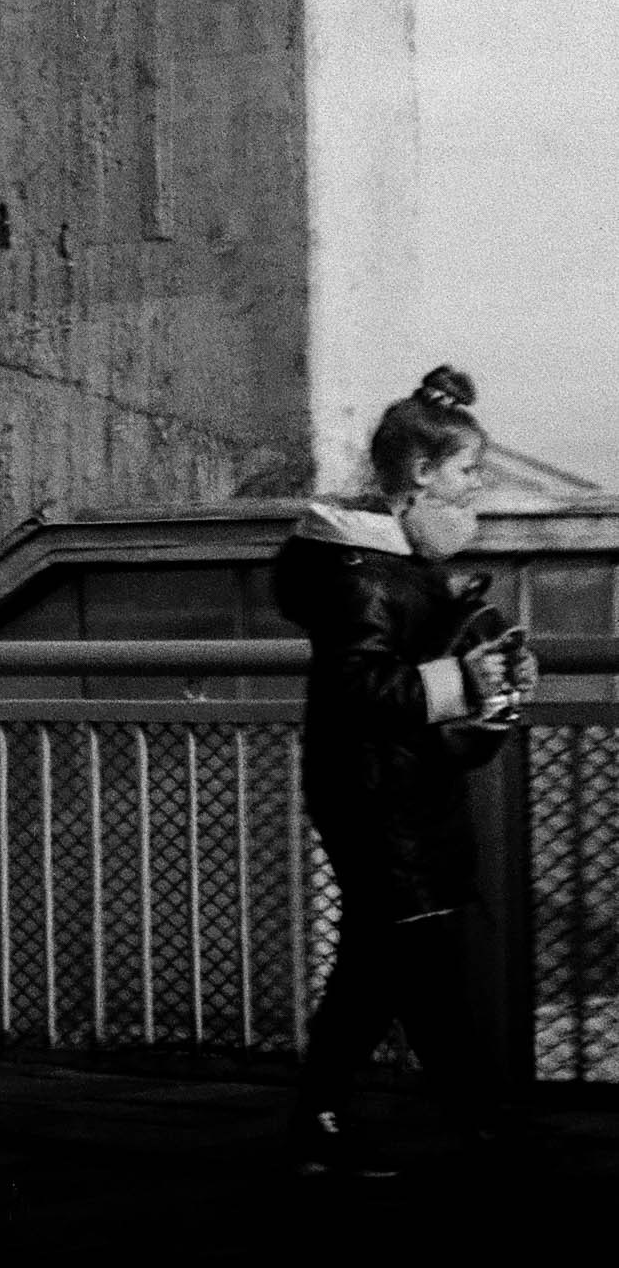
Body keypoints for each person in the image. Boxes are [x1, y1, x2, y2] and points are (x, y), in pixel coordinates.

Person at [271, 365, 537, 1178]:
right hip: (380, 794)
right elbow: (359, 687)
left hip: (390, 788)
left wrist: (476, 668)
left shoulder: (380, 570)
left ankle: (321, 1123)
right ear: (419, 478)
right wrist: (474, 682)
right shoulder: (363, 578)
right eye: (465, 476)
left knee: (383, 959)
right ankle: (484, 1123)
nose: (474, 496)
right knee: (419, 960)